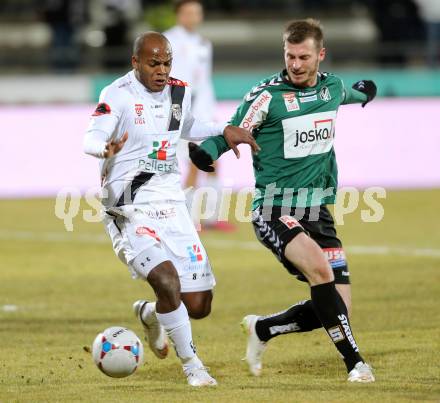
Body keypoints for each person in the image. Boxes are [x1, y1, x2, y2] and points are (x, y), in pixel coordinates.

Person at [189, 19, 377, 383]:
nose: (295, 63)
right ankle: (356, 364)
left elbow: (350, 95)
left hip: (317, 211)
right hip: (274, 209)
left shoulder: (332, 88)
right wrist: (207, 151)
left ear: (320, 55)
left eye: (303, 56)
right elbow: (234, 130)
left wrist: (365, 92)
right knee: (321, 273)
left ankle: (264, 328)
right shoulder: (267, 96)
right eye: (290, 55)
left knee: (337, 308)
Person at [83, 32, 259, 387]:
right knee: (166, 280)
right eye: (153, 63)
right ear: (136, 62)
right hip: (129, 208)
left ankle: (150, 313)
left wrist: (225, 130)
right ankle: (194, 366)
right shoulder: (116, 94)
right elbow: (90, 136)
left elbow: (187, 127)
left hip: (172, 205)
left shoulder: (179, 90)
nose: (161, 70)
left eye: (166, 63)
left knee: (198, 305)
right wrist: (105, 148)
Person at [164, 0, 235, 231]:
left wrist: (210, 110)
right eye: (188, 12)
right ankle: (188, 219)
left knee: (214, 160)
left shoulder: (204, 43)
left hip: (204, 112)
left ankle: (213, 217)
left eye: (197, 12)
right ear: (178, 14)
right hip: (182, 113)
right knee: (194, 163)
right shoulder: (167, 41)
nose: (193, 16)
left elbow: (203, 81)